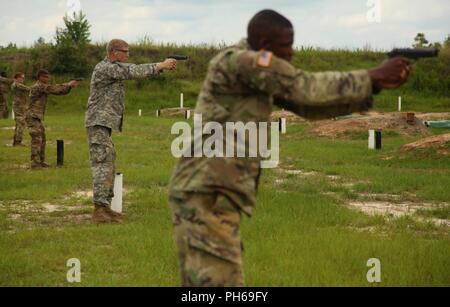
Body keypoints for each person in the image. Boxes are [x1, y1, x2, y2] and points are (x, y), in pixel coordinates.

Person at [168, 9, 412, 286]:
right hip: (206, 194)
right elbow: (303, 86)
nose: (292, 53)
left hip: (208, 191)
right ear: (263, 44)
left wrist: (375, 86)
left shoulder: (250, 70)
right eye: (286, 45)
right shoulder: (244, 62)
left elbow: (307, 104)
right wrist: (373, 75)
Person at [85, 39, 177, 224]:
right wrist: (160, 65)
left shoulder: (112, 68)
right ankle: (99, 209)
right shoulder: (105, 67)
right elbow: (131, 71)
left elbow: (132, 70)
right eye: (125, 51)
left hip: (104, 123)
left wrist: (159, 68)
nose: (128, 55)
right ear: (114, 52)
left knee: (108, 162)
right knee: (102, 164)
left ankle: (105, 207)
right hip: (98, 122)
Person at [27, 69, 78, 169]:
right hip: (32, 116)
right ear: (40, 77)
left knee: (43, 139)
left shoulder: (43, 86)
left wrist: (68, 87)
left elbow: (59, 91)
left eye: (47, 76)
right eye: (45, 76)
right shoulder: (38, 86)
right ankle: (35, 163)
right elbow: (54, 89)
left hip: (37, 116)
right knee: (37, 140)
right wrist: (68, 85)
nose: (47, 78)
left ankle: (40, 161)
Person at [11, 72, 31, 146]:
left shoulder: (16, 84)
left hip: (20, 106)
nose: (23, 79)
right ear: (17, 78)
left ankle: (16, 141)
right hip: (18, 106)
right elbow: (27, 89)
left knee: (19, 124)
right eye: (21, 77)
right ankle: (18, 142)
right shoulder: (16, 84)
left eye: (23, 77)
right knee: (21, 123)